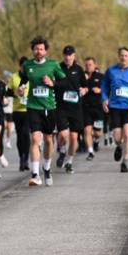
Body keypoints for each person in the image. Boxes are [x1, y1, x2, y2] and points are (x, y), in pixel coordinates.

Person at [20, 36, 66, 187]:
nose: (38, 51)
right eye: (36, 49)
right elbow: (24, 79)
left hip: (49, 107)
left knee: (48, 140)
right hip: (33, 106)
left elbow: (64, 82)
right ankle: (35, 174)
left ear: (45, 50)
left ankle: (46, 168)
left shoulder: (53, 65)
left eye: (41, 49)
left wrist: (52, 83)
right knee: (34, 139)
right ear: (32, 50)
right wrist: (21, 87)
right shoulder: (27, 65)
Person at [101, 47, 128, 173]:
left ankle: (125, 161)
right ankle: (119, 146)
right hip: (114, 107)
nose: (123, 58)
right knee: (117, 138)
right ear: (118, 56)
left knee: (127, 134)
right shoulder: (111, 70)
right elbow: (104, 86)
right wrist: (104, 99)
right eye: (121, 55)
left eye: (126, 55)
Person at [55, 45, 85, 174]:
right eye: (66, 55)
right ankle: (62, 150)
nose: (67, 57)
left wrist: (85, 90)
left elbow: (85, 85)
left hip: (75, 107)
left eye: (70, 55)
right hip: (61, 107)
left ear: (74, 55)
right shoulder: (58, 68)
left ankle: (70, 161)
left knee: (73, 138)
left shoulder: (79, 70)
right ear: (63, 56)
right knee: (62, 134)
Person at [9, 57, 30, 171]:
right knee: (20, 136)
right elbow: (8, 91)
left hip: (28, 110)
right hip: (17, 110)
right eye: (23, 67)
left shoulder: (31, 76)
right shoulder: (14, 77)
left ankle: (26, 159)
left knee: (26, 134)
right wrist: (16, 93)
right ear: (20, 67)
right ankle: (21, 157)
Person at [81, 56, 104, 159]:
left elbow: (107, 88)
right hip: (86, 107)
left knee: (97, 132)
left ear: (94, 65)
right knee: (87, 131)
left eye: (90, 64)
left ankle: (96, 141)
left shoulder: (101, 76)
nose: (88, 66)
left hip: (98, 108)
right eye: (86, 65)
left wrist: (100, 90)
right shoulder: (82, 77)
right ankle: (90, 152)